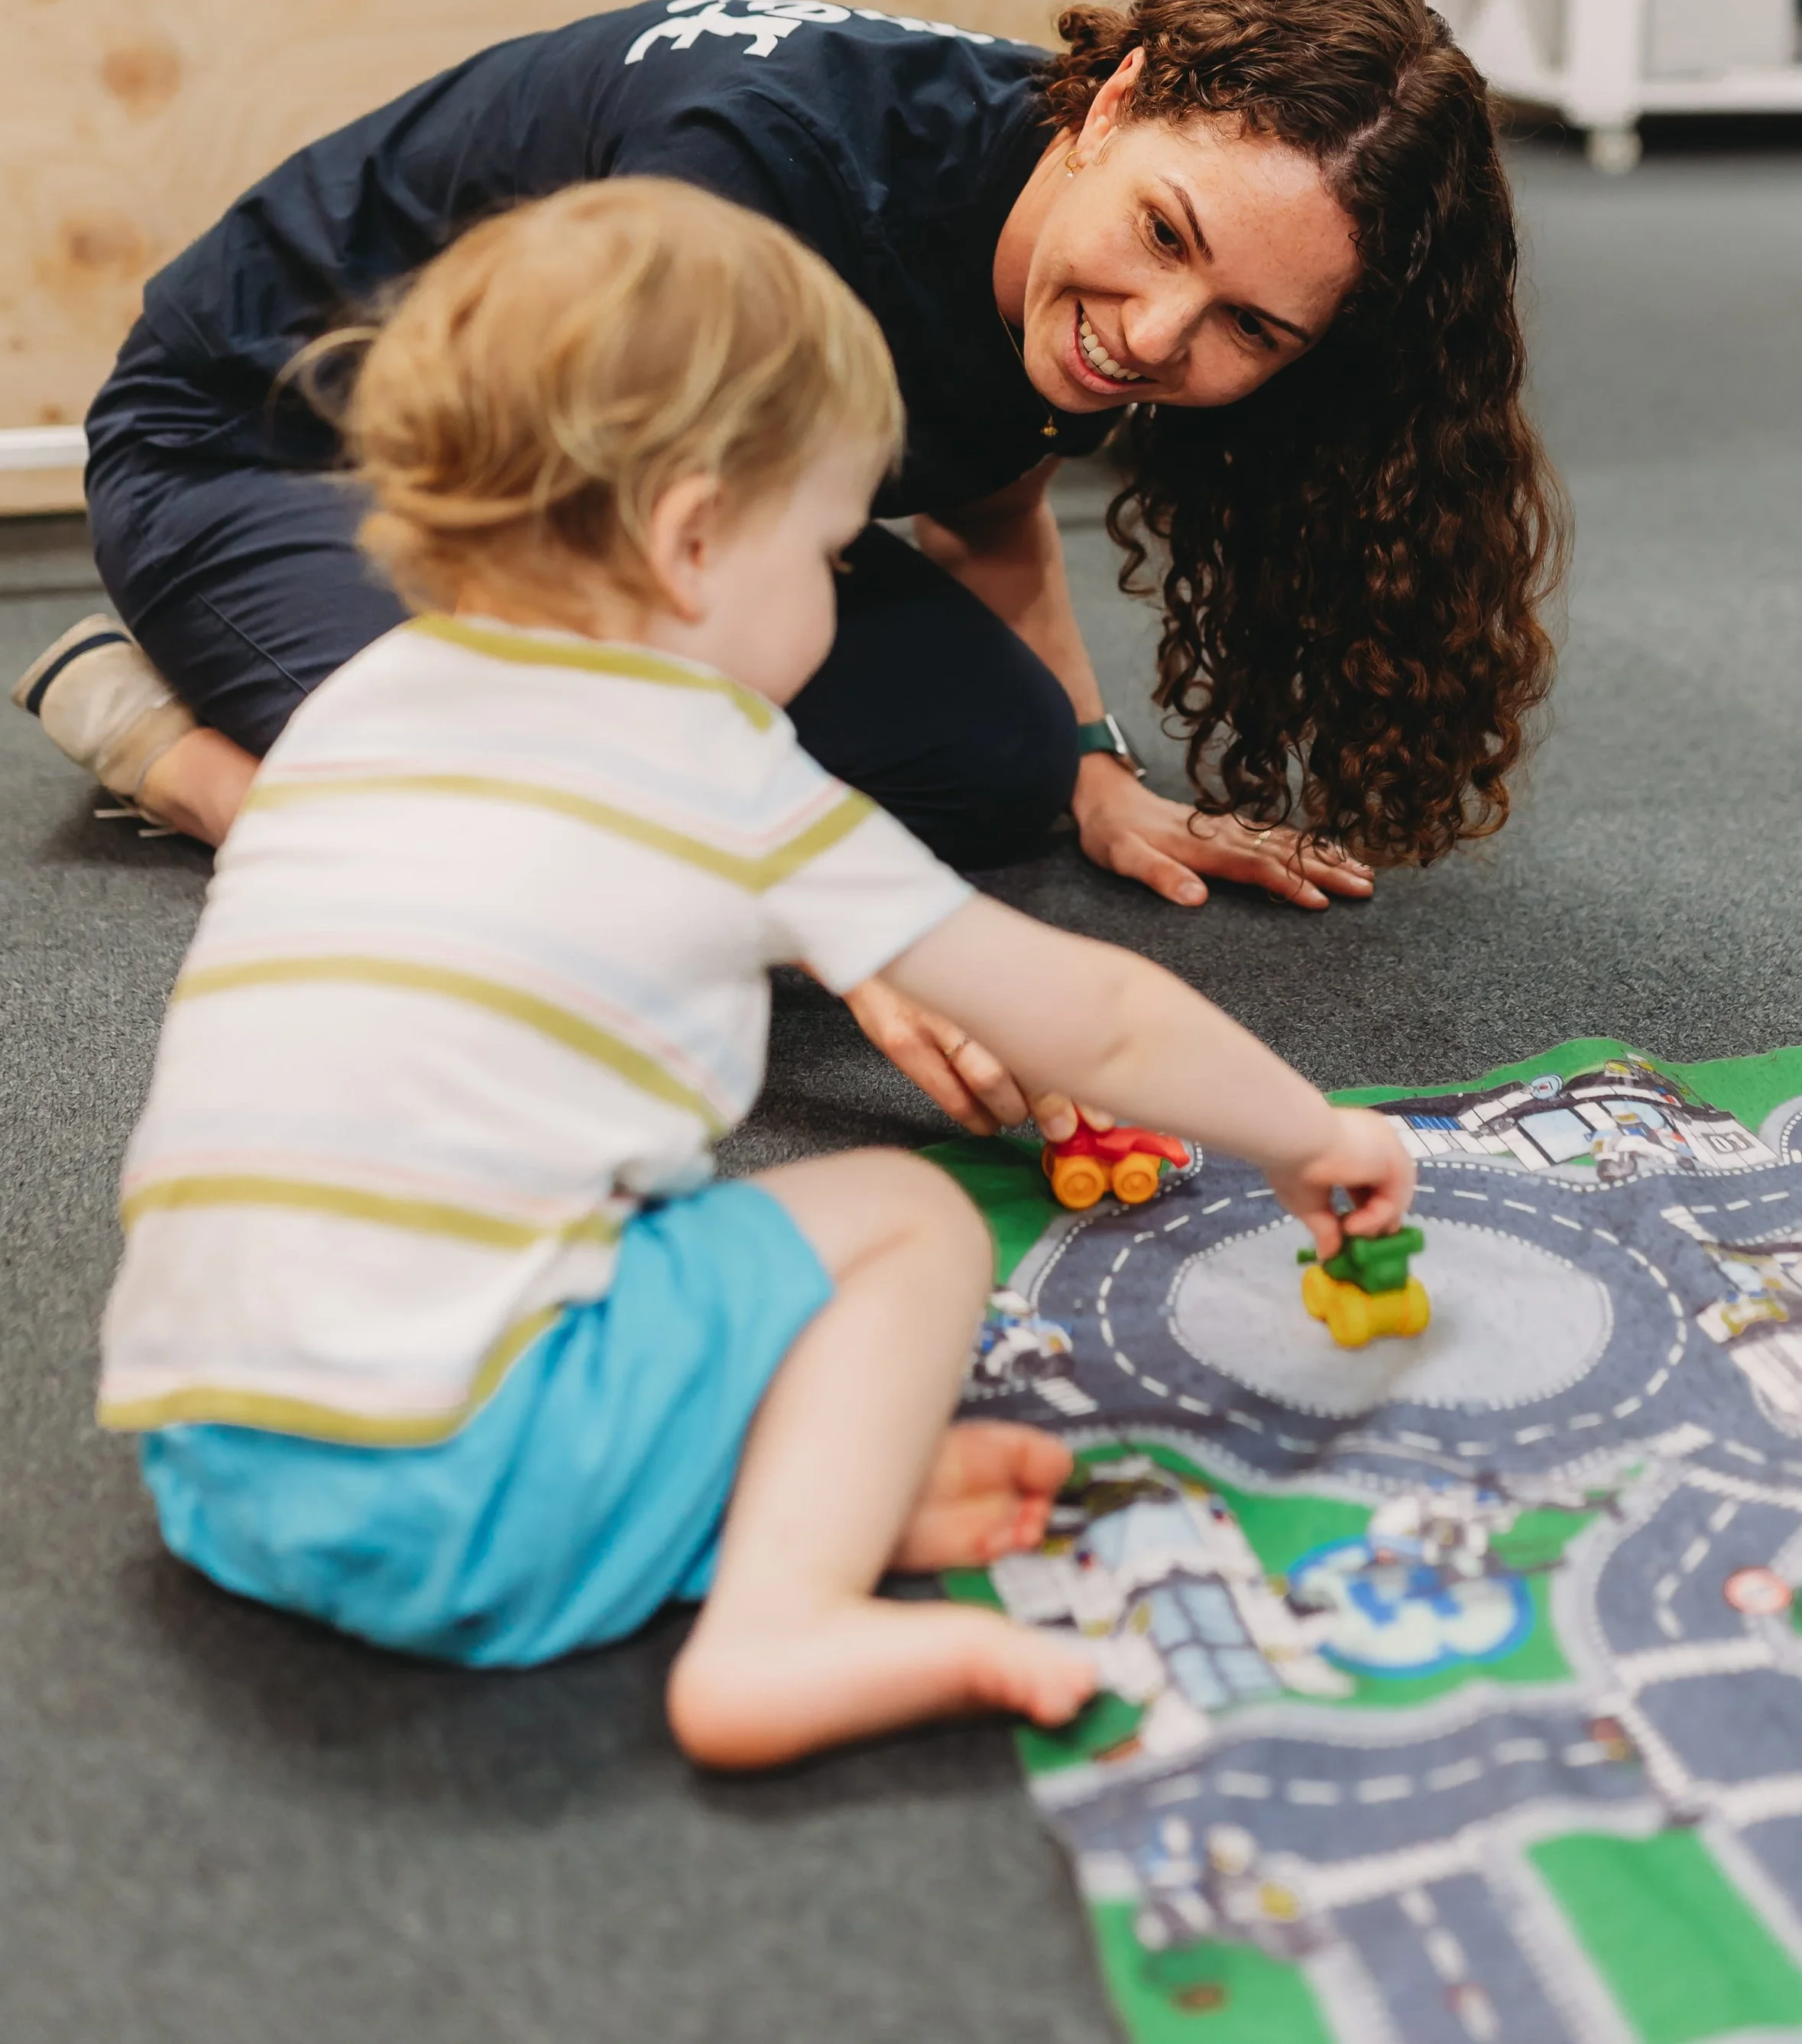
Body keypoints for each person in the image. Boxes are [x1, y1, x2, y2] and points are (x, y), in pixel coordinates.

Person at [96, 181, 1415, 1767]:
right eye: (830, 548)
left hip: (219, 1473)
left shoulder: (358, 705)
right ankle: (778, 1626)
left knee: (600, 1204)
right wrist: (1310, 1135)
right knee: (895, 1221)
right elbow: (1101, 1011)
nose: (835, 592)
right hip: (461, 1485)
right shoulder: (720, 767)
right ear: (692, 535)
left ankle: (733, 1494)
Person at [18, 0, 1563, 1127]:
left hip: (640, 513)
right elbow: (604, 616)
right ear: (1109, 104)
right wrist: (850, 940)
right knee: (547, 862)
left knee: (1004, 763)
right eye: (1166, 242)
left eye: (1250, 329)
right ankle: (185, 750)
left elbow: (985, 478)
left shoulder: (1093, 261)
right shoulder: (749, 181)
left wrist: (1097, 765)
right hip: (270, 455)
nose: (1156, 335)